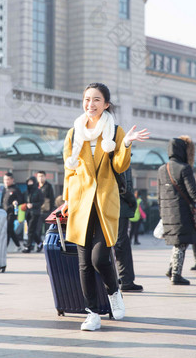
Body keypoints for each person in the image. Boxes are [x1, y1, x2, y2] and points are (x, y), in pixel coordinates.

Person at [62, 82, 149, 331]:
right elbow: (69, 170)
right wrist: (67, 199)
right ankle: (92, 314)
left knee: (100, 258)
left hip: (103, 202)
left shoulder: (115, 131)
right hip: (80, 203)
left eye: (96, 100)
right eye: (87, 99)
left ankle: (114, 293)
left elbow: (120, 166)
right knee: (84, 263)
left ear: (106, 104)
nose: (91, 104)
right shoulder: (74, 132)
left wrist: (127, 144)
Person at [158, 136, 196, 285]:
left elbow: (160, 195)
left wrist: (162, 213)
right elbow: (193, 192)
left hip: (167, 212)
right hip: (182, 213)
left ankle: (171, 269)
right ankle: (176, 275)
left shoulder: (162, 168)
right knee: (181, 244)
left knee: (178, 242)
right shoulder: (184, 168)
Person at [115, 167, 143, 292]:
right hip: (119, 206)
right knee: (121, 243)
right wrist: (132, 200)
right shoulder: (121, 155)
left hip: (110, 205)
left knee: (114, 242)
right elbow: (123, 185)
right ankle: (126, 280)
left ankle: (117, 278)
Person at [1, 172, 24, 251]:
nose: (6, 181)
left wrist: (15, 202)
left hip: (12, 213)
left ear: (12, 180)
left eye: (7, 179)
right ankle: (18, 246)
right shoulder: (5, 189)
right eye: (4, 180)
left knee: (7, 229)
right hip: (4, 213)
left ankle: (4, 248)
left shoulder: (15, 189)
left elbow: (20, 200)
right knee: (10, 230)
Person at [22, 176, 44, 253]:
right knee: (32, 230)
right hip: (27, 213)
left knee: (31, 230)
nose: (29, 183)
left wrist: (33, 205)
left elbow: (41, 201)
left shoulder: (38, 191)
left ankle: (29, 246)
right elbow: (22, 200)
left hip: (35, 213)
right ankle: (40, 243)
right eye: (28, 182)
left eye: (31, 182)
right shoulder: (26, 192)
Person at [37, 170, 55, 239]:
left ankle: (46, 242)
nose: (40, 178)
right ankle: (39, 244)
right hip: (38, 211)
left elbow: (52, 199)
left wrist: (51, 211)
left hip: (47, 211)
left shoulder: (48, 186)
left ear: (45, 177)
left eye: (42, 176)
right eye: (39, 176)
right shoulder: (36, 186)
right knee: (37, 229)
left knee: (47, 230)